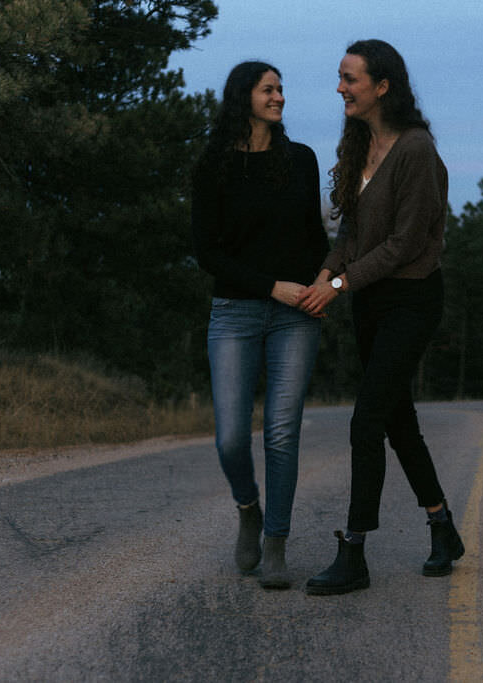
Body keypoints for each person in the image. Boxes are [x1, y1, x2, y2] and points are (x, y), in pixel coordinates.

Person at [297, 39, 464, 595]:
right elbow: (349, 230)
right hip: (370, 300)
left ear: (382, 86)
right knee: (397, 421)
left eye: (350, 79)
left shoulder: (416, 150)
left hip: (411, 299)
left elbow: (404, 242)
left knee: (365, 421)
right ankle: (443, 528)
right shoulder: (359, 141)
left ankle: (355, 553)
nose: (340, 87)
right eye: (340, 78)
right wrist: (327, 275)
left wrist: (340, 285)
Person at [191, 61, 329, 590]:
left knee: (281, 432)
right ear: (243, 97)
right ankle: (248, 506)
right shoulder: (214, 166)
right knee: (230, 439)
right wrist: (272, 286)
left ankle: (276, 543)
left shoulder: (301, 160)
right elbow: (207, 252)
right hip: (235, 312)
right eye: (269, 90)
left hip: (298, 316)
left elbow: (313, 239)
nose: (279, 97)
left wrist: (324, 282)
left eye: (281, 90)